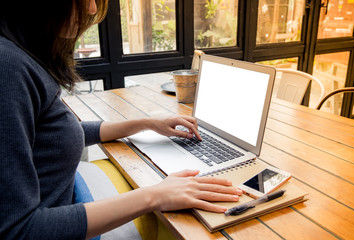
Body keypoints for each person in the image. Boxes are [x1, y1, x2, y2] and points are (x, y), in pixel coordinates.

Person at [0, 0, 242, 239]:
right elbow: (19, 230)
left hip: (68, 197)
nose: (92, 9)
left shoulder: (20, 57)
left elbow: (53, 136)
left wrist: (147, 124)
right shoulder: (8, 68)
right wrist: (155, 195)